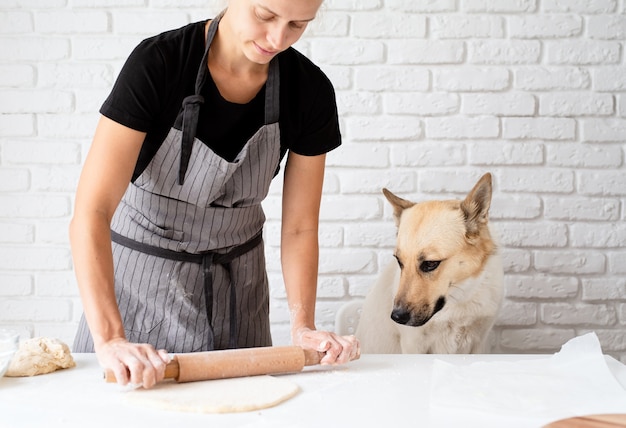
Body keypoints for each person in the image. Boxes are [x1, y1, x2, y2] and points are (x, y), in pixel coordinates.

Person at [70, 0, 360, 389]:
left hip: (239, 291)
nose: (277, 38)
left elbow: (300, 228)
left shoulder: (310, 91)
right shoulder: (159, 64)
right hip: (137, 293)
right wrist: (111, 339)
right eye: (265, 15)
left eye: (298, 25)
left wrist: (302, 325)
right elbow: (92, 210)